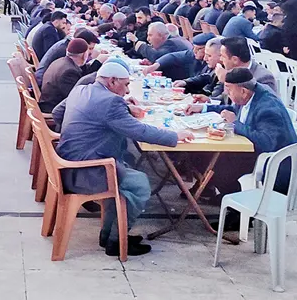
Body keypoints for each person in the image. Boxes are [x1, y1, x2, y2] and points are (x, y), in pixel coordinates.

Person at [55, 62, 193, 257]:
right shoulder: (111, 102)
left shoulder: (80, 90)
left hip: (67, 163)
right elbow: (139, 131)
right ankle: (115, 241)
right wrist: (174, 136)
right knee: (139, 185)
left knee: (126, 175)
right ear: (112, 81)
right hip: (87, 171)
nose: (127, 90)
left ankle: (110, 235)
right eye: (126, 84)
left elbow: (57, 114)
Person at [189, 67, 297, 229]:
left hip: (275, 163)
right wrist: (204, 108)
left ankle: (240, 214)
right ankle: (232, 199)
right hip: (257, 153)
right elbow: (233, 110)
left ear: (243, 91)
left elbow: (265, 142)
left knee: (216, 165)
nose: (226, 92)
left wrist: (235, 123)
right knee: (203, 157)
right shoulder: (249, 95)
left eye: (229, 89)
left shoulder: (268, 108)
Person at [38, 38, 93, 114]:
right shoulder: (69, 72)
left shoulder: (61, 61)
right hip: (53, 110)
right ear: (84, 55)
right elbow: (76, 99)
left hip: (47, 103)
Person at [35, 29, 101, 86]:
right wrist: (97, 62)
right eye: (90, 48)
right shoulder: (65, 52)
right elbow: (79, 83)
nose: (91, 52)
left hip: (47, 82)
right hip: (43, 83)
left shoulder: (67, 47)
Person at [147, 33, 214, 82]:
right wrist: (157, 64)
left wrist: (185, 82)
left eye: (199, 49)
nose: (195, 51)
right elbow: (174, 57)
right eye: (194, 48)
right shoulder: (193, 53)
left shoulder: (212, 62)